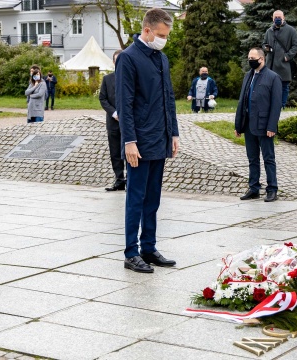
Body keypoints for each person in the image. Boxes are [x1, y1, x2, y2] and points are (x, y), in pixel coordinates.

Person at [116, 8, 179, 273]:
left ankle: (148, 248)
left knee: (153, 198)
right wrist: (129, 141)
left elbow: (169, 98)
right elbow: (125, 103)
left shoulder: (161, 58)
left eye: (166, 35)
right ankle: (131, 253)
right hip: (139, 143)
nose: (164, 39)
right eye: (161, 35)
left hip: (159, 138)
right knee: (136, 198)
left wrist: (173, 132)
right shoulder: (129, 59)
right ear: (147, 31)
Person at [234, 47, 282, 202]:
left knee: (268, 158)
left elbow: (276, 105)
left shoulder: (273, 77)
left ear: (262, 59)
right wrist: (238, 125)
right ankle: (254, 188)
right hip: (248, 124)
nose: (250, 61)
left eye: (253, 58)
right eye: (249, 58)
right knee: (252, 158)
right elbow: (242, 101)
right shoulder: (248, 76)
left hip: (264, 125)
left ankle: (272, 189)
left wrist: (271, 126)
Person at [99, 49, 125, 192]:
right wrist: (114, 113)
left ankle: (132, 181)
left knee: (130, 152)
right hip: (113, 122)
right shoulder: (107, 79)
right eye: (117, 60)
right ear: (114, 62)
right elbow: (102, 98)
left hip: (129, 123)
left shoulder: (133, 77)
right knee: (115, 152)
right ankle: (119, 179)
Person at [263, 10, 297, 109]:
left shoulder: (291, 30)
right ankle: (271, 105)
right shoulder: (269, 31)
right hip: (270, 64)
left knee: (284, 86)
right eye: (275, 17)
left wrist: (287, 56)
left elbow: (296, 46)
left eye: (279, 17)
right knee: (269, 86)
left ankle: (282, 106)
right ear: (272, 18)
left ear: (283, 17)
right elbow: (264, 43)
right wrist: (266, 48)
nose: (277, 19)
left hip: (284, 63)